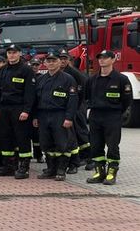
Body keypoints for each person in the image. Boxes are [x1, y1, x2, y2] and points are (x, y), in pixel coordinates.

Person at [85, 49, 131, 185]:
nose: (101, 60)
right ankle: (99, 172)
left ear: (113, 59)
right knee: (96, 145)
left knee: (112, 146)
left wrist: (117, 112)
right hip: (95, 116)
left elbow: (127, 100)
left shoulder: (121, 79)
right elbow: (86, 97)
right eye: (100, 58)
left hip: (112, 116)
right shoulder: (92, 79)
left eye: (105, 58)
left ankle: (111, 173)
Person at [0, 44, 36, 179]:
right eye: (9, 53)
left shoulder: (26, 70)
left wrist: (26, 110)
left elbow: (30, 93)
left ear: (20, 54)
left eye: (14, 52)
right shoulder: (3, 70)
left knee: (22, 137)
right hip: (4, 109)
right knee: (5, 137)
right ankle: (8, 166)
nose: (11, 55)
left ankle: (24, 167)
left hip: (19, 108)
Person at [32, 51, 78, 181]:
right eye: (48, 61)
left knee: (62, 143)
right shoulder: (41, 79)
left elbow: (73, 100)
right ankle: (50, 169)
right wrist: (35, 116)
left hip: (60, 114)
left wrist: (69, 118)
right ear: (45, 63)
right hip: (43, 115)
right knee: (46, 143)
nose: (51, 63)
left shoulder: (68, 79)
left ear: (60, 62)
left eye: (54, 60)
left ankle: (61, 170)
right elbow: (35, 100)